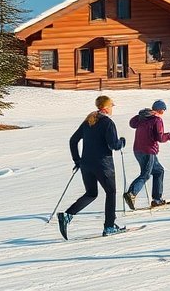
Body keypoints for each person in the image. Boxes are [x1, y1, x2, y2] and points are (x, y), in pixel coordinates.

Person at [58, 95, 127, 239]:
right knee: (111, 192)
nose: (112, 108)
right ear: (106, 107)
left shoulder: (89, 120)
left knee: (91, 193)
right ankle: (109, 226)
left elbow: (73, 141)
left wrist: (77, 160)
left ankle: (67, 215)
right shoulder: (107, 123)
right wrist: (121, 142)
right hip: (103, 165)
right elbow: (113, 145)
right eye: (111, 106)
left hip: (86, 164)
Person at [125, 98, 170, 209]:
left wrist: (140, 115)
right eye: (163, 110)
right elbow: (159, 137)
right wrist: (169, 136)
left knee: (159, 171)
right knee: (146, 174)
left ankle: (157, 199)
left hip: (137, 150)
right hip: (148, 151)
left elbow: (132, 123)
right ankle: (131, 193)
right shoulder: (157, 120)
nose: (163, 113)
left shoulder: (142, 118)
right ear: (160, 110)